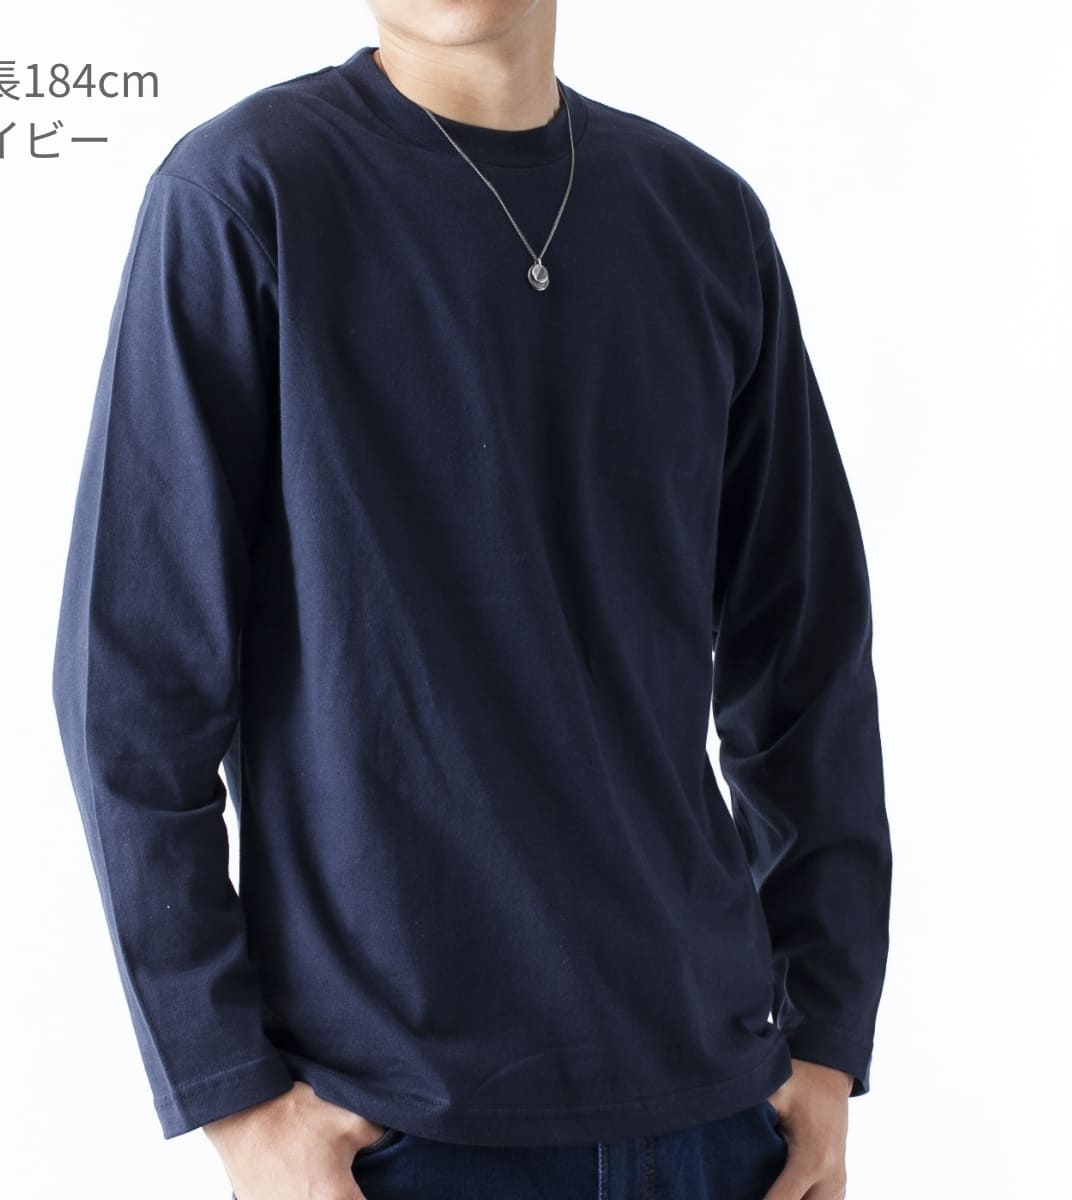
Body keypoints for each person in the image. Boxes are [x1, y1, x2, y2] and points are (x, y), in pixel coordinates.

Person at [50, 3, 892, 1198]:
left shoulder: (704, 218)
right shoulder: (245, 196)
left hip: (714, 1113)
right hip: (395, 1124)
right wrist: (235, 1098)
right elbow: (131, 685)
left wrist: (827, 1035)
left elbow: (806, 651)